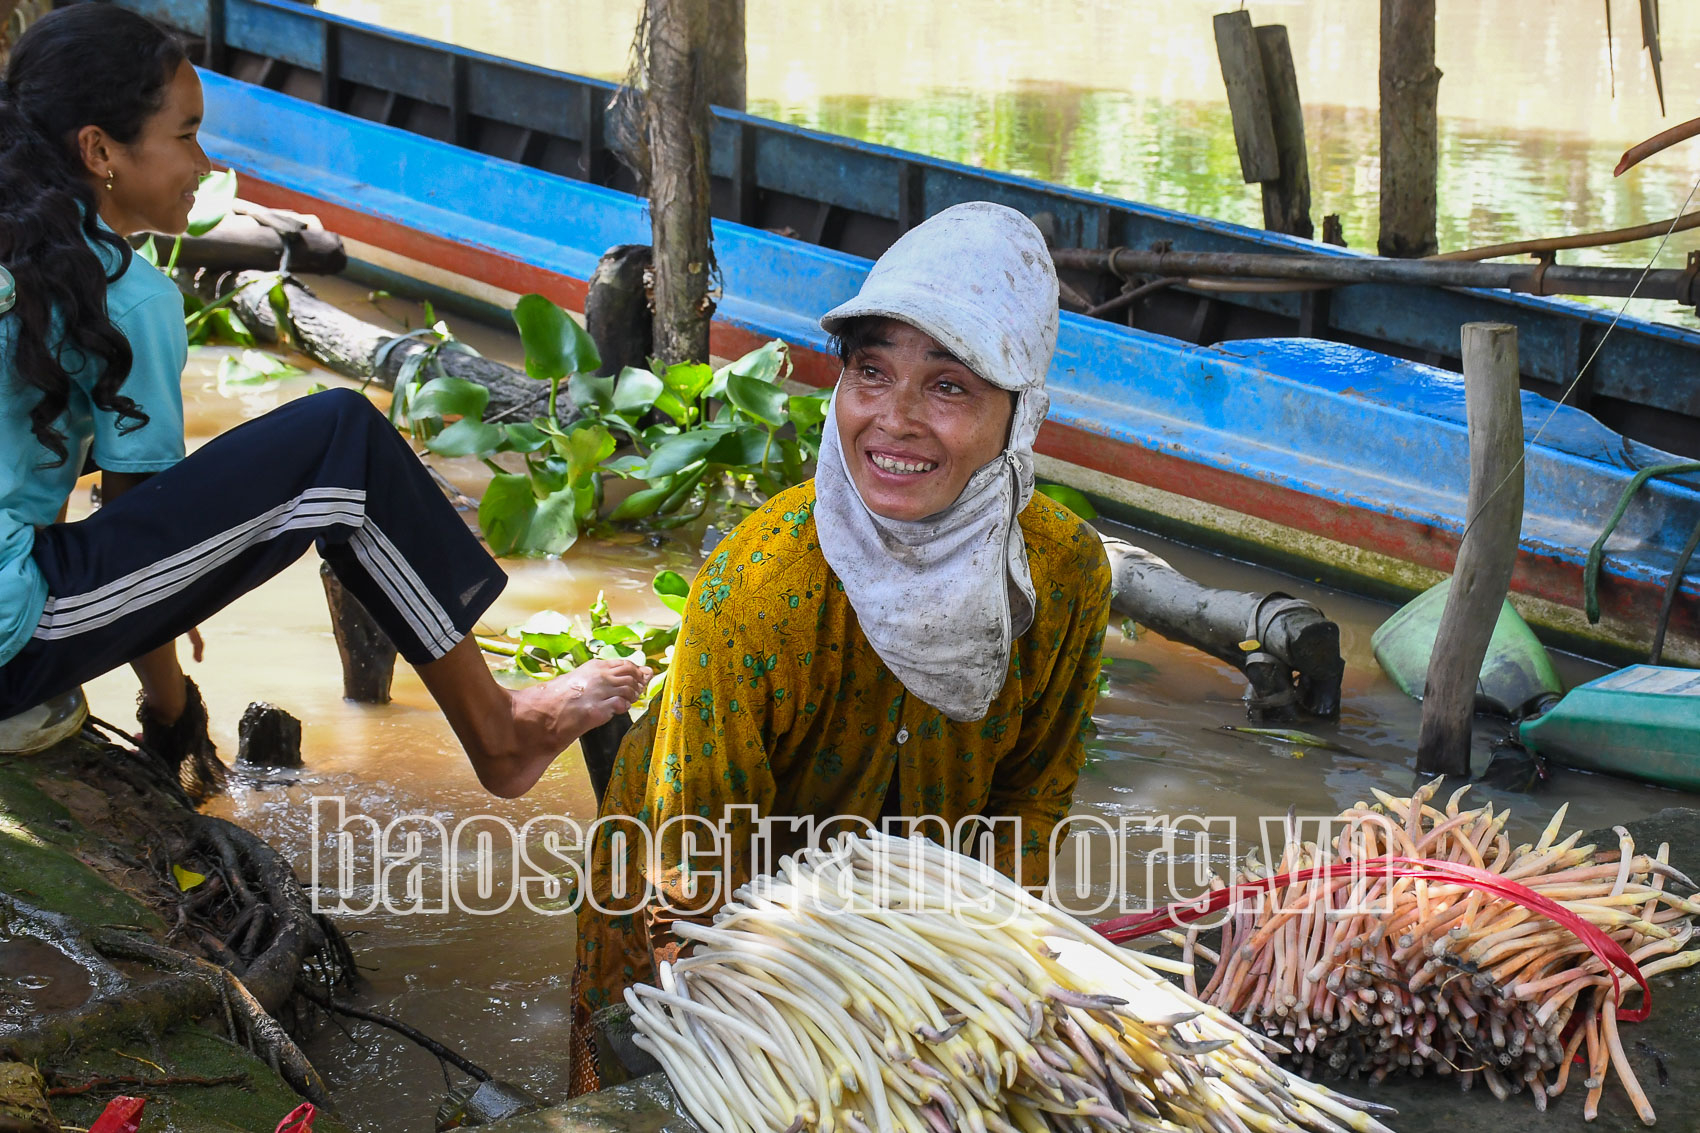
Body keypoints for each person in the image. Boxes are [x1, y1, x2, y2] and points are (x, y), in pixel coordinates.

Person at [0, 7, 648, 797]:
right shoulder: (126, 298)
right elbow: (146, 523)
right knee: (344, 444)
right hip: (13, 636)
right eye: (186, 135)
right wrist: (175, 717)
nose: (205, 164)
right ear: (100, 149)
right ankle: (502, 732)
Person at [568, 201, 1113, 1091]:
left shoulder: (1064, 572)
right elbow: (692, 878)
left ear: (1020, 415)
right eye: (871, 373)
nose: (893, 420)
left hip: (913, 939)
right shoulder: (762, 588)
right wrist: (790, 1034)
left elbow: (1030, 798)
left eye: (947, 386)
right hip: (706, 918)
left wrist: (985, 970)